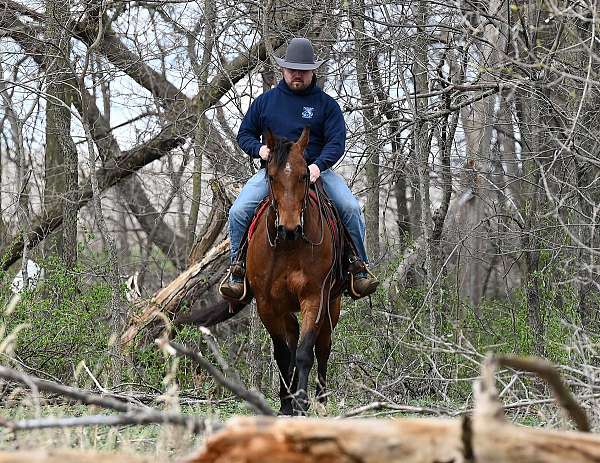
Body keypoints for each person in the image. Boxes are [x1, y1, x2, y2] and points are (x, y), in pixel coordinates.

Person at [220, 37, 378, 300]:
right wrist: (259, 150)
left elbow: (336, 141)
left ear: (312, 71)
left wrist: (318, 166)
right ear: (283, 69)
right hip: (274, 175)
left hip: (317, 172)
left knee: (350, 207)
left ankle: (359, 268)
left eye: (303, 70)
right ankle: (236, 271)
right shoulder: (265, 102)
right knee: (238, 211)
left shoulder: (326, 105)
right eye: (292, 69)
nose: (297, 74)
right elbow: (244, 133)